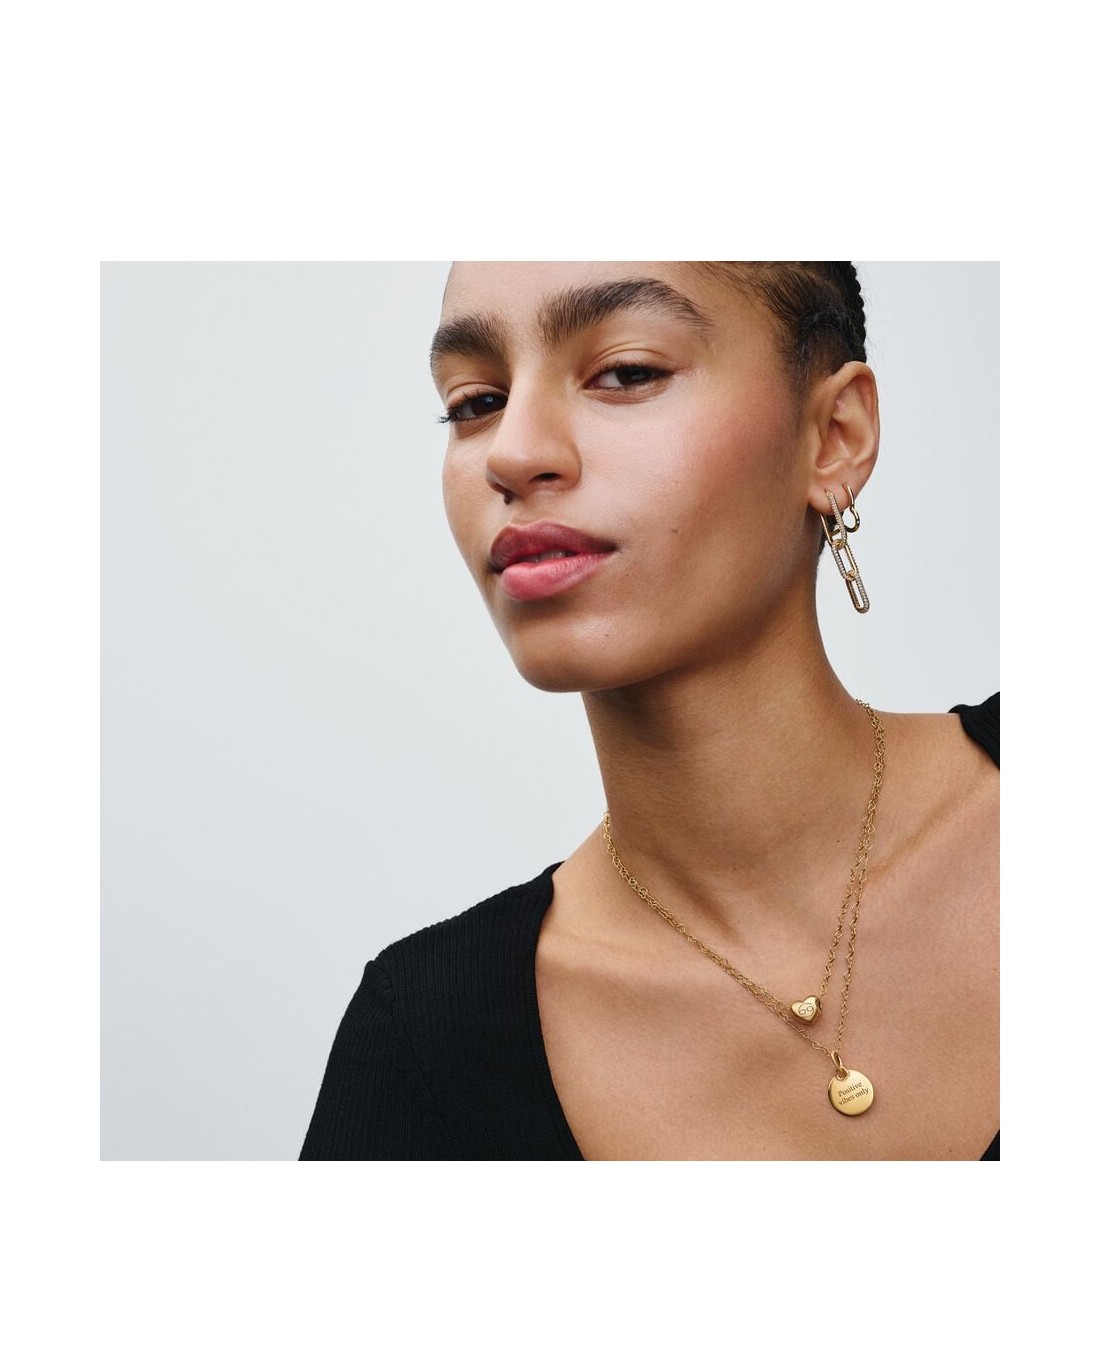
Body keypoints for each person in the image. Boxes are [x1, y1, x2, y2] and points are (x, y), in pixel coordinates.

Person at [300, 262, 999, 1161]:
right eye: (476, 402)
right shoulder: (425, 1049)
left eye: (625, 373)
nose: (511, 453)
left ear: (833, 437)